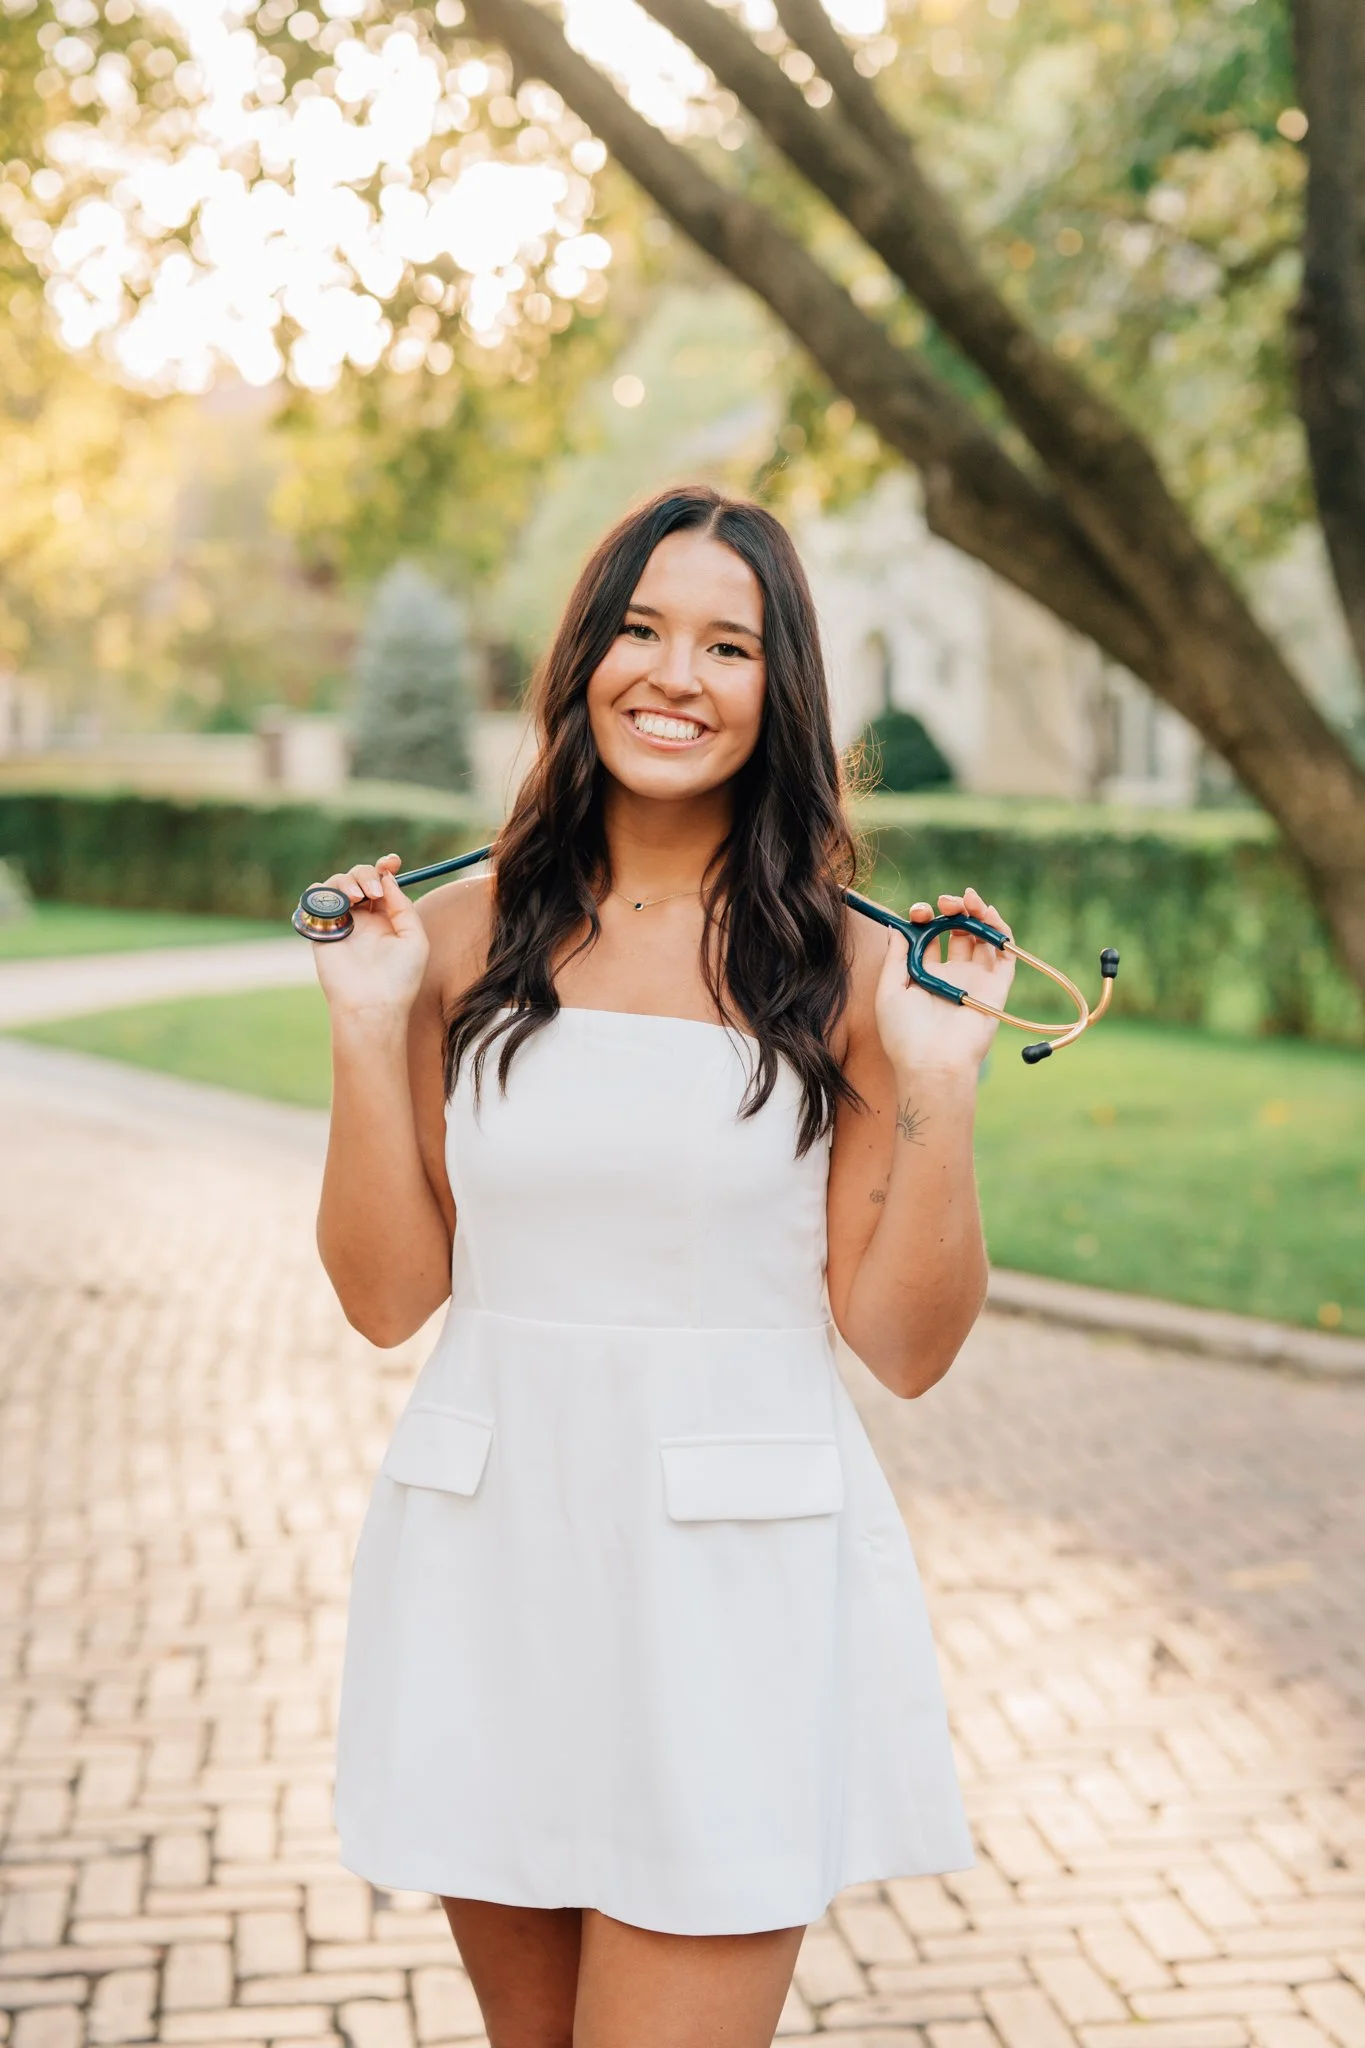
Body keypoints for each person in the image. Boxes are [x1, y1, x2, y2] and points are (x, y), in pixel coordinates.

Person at [312, 485, 1015, 2048]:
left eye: (727, 644)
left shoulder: (840, 964)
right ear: (582, 658)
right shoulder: (456, 935)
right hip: (495, 1555)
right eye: (638, 629)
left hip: (730, 1592)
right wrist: (368, 1028)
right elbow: (384, 1296)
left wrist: (940, 1077)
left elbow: (902, 1343)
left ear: (781, 693)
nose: (672, 675)